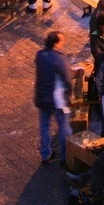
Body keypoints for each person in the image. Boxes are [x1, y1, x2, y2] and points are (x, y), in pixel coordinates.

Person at [35, 31, 72, 163]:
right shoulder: (60, 59)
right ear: (56, 43)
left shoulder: (40, 55)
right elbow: (67, 79)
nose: (63, 43)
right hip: (58, 100)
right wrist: (69, 94)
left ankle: (45, 154)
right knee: (64, 128)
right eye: (62, 41)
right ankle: (64, 156)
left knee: (44, 127)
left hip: (42, 98)